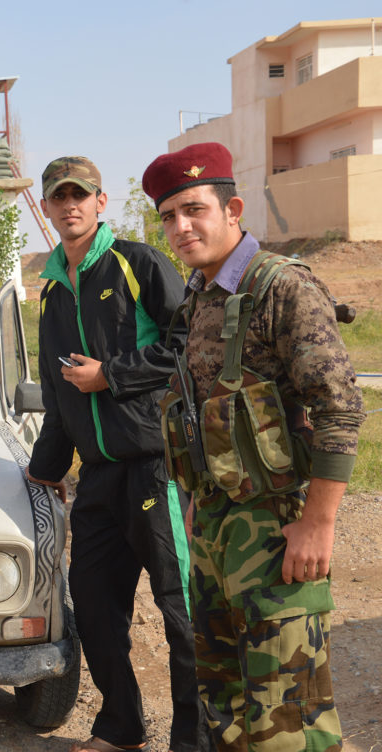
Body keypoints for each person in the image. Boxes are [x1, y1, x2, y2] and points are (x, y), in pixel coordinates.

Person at [142, 142, 364, 751]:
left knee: (287, 721)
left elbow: (340, 408)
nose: (180, 227)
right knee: (226, 709)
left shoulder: (282, 289)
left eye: (193, 210)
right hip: (215, 532)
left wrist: (318, 523)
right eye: (168, 216)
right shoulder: (199, 299)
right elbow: (196, 413)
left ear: (232, 208)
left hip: (275, 530)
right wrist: (194, 499)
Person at [26, 157, 207, 752]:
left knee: (182, 614)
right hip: (97, 480)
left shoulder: (138, 263)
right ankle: (122, 728)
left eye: (81, 194)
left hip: (158, 466)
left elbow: (191, 345)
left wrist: (115, 375)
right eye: (59, 197)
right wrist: (44, 469)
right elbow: (57, 396)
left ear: (101, 201)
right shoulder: (51, 291)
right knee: (97, 616)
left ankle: (193, 740)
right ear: (48, 208)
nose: (70, 205)